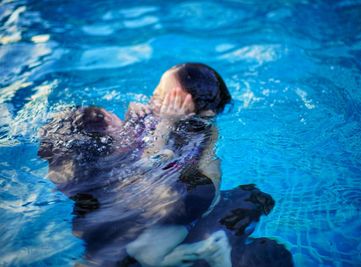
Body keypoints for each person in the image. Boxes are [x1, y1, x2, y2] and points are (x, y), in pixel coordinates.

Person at [38, 63, 234, 266]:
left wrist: (166, 123)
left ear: (191, 107)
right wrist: (135, 114)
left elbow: (152, 162)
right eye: (154, 93)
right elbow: (126, 147)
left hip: (167, 199)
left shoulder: (203, 132)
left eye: (160, 97)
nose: (151, 100)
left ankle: (197, 251)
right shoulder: (149, 119)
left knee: (142, 249)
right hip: (146, 197)